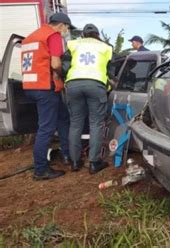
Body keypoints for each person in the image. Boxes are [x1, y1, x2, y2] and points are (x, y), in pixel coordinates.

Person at [21, 12, 73, 180]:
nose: (66, 31)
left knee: (63, 118)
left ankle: (66, 154)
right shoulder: (53, 35)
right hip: (45, 87)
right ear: (61, 25)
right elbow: (56, 63)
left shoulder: (31, 37)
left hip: (31, 87)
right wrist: (62, 73)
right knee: (46, 129)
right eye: (67, 27)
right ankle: (41, 169)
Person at [63, 24, 113, 174]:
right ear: (97, 34)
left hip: (73, 85)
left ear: (83, 35)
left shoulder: (73, 44)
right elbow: (111, 70)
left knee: (75, 123)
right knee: (96, 124)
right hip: (95, 84)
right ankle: (94, 162)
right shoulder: (106, 47)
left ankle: (75, 162)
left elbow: (64, 66)